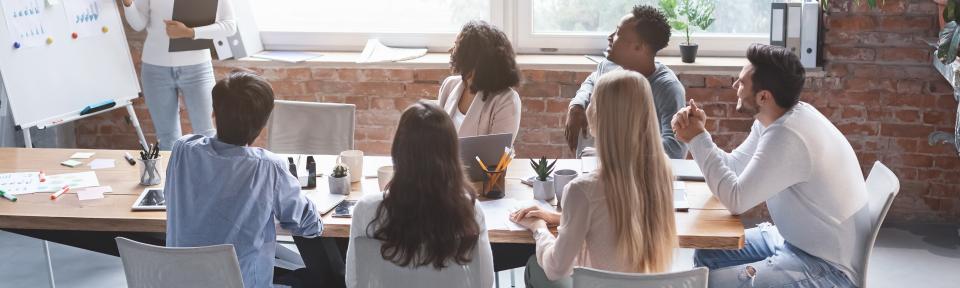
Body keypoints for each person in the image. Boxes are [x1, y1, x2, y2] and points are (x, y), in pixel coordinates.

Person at [671, 44, 868, 288]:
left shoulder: (788, 135)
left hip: (827, 268)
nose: (735, 86)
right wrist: (699, 136)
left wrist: (697, 139)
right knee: (707, 253)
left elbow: (736, 199)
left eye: (742, 83)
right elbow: (733, 167)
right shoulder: (773, 119)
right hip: (793, 241)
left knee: (710, 283)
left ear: (764, 97)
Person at [511, 70, 677, 288]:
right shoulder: (662, 173)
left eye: (593, 100)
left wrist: (538, 227)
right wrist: (559, 218)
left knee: (536, 265)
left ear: (600, 116)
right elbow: (615, 223)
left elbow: (556, 268)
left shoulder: (582, 190)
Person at [164, 71, 322, 288]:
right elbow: (310, 226)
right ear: (263, 123)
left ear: (213, 113)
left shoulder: (182, 149)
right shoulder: (268, 167)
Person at [344, 101, 494, 287]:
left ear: (398, 151)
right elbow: (485, 283)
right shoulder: (470, 210)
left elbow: (354, 282)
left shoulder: (367, 210)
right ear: (451, 154)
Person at [564, 5, 686, 159]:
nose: (609, 36)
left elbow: (675, 149)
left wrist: (616, 151)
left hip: (638, 177)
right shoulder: (608, 66)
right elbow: (592, 80)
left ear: (638, 47)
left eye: (618, 33)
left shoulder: (667, 88)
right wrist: (576, 104)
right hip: (598, 169)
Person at [121, 0, 237, 150]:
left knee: (206, 134)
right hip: (155, 69)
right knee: (167, 138)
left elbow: (229, 26)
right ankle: (174, 174)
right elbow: (138, 24)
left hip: (198, 69)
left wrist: (190, 32)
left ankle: (205, 173)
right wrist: (128, 4)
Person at [437, 20, 522, 144]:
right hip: (443, 164)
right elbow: (436, 138)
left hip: (480, 164)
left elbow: (495, 154)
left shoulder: (506, 100)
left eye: (457, 46)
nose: (451, 50)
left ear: (474, 57)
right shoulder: (449, 86)